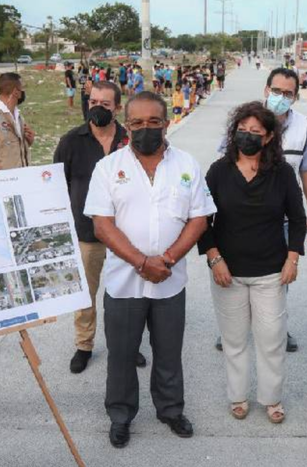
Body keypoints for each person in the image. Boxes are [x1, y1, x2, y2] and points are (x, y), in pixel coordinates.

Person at [84, 91, 216, 448]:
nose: (146, 129)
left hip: (170, 283)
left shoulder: (187, 164)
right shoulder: (108, 168)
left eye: (154, 122)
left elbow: (199, 218)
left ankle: (171, 410)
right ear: (127, 125)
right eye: (138, 123)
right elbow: (102, 225)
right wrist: (142, 263)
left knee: (169, 353)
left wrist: (167, 260)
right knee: (122, 356)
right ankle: (121, 415)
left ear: (167, 122)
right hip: (124, 283)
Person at [199, 102, 306, 424]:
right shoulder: (219, 171)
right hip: (227, 273)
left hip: (271, 272)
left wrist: (292, 259)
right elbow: (201, 219)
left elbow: (298, 220)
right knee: (233, 341)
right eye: (241, 131)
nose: (247, 137)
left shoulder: (283, 173)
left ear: (270, 137)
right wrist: (214, 258)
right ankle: (238, 396)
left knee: (271, 339)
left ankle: (271, 399)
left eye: (255, 132)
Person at [214, 67, 307, 353]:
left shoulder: (304, 125)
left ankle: (276, 328)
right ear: (265, 89)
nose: (280, 96)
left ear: (295, 97)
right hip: (241, 213)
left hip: (282, 214)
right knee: (235, 272)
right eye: (276, 90)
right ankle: (233, 330)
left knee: (280, 276)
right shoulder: (246, 121)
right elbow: (223, 162)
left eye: (287, 93)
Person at [54, 81, 146, 374]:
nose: (97, 108)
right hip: (87, 231)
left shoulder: (131, 140)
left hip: (127, 231)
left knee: (128, 293)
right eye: (93, 101)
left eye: (105, 104)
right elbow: (58, 185)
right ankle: (84, 345)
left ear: (117, 108)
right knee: (86, 293)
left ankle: (128, 345)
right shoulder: (71, 141)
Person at [0, 72, 35, 171]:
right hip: (6, 183)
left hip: (21, 179)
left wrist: (28, 141)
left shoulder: (18, 116)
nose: (23, 92)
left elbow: (11, 149)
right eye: (21, 89)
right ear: (16, 92)